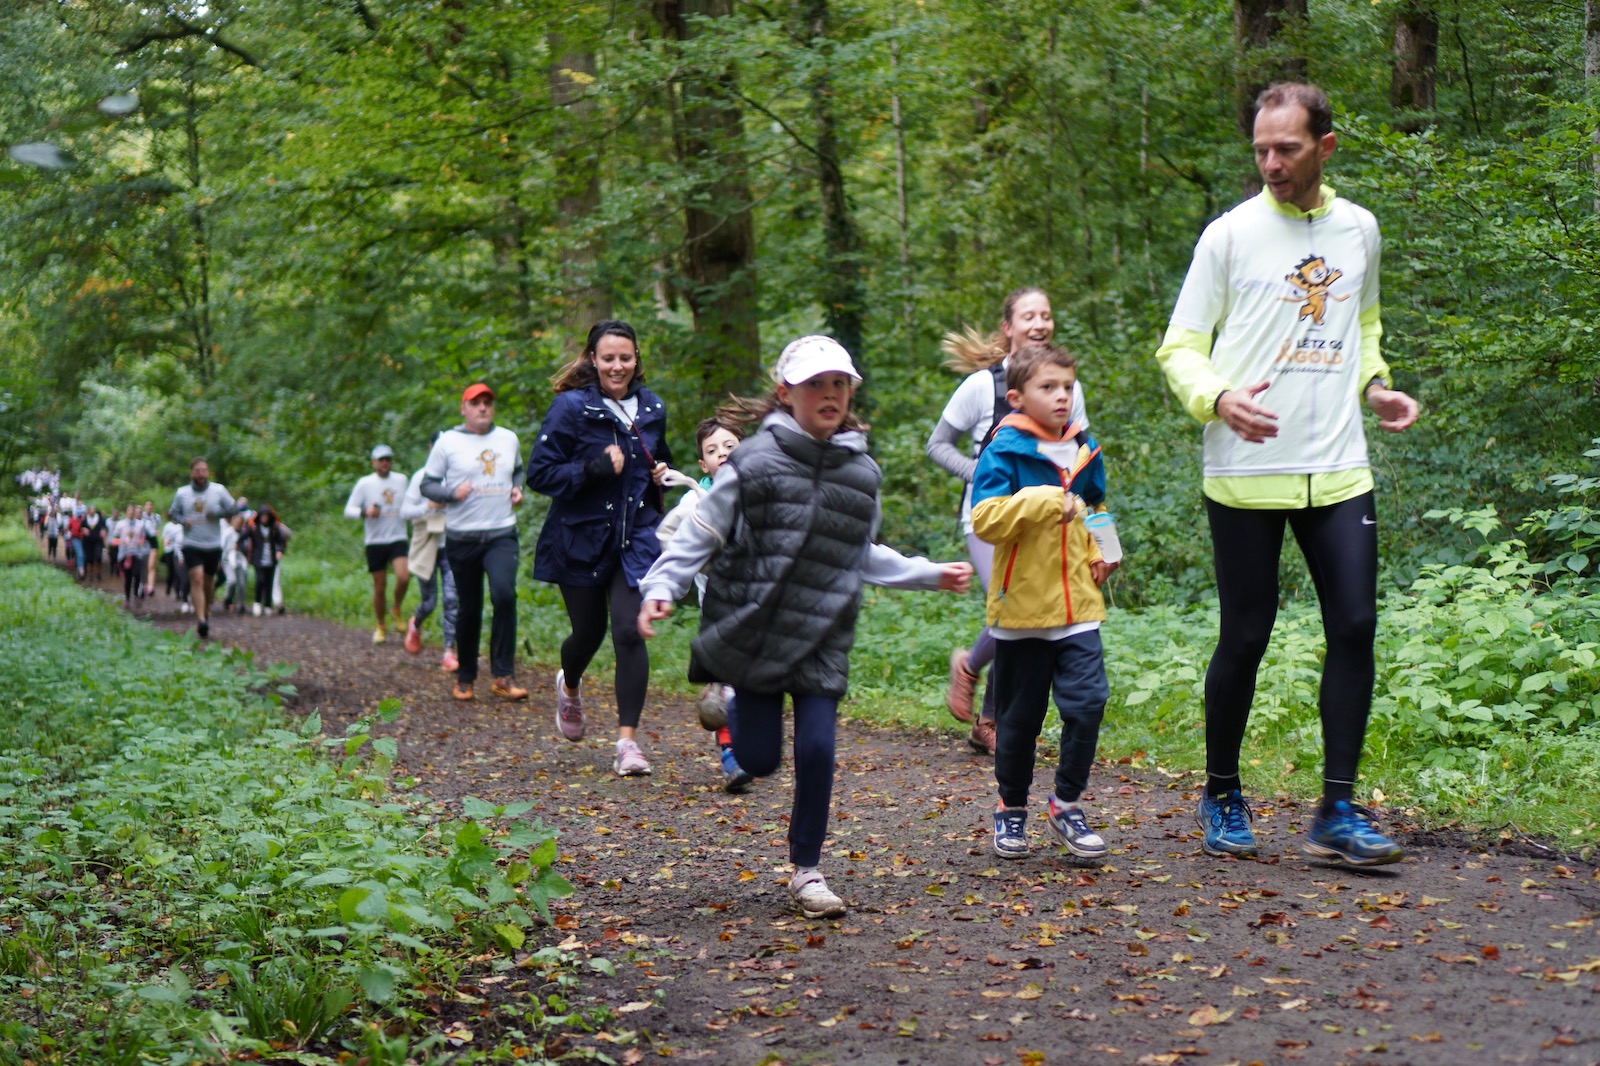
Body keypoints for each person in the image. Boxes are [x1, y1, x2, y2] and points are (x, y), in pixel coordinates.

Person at [1155, 82, 1420, 867]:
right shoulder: (1229, 236)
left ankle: (1336, 809)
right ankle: (1222, 793)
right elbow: (1180, 346)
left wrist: (1377, 384)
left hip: (1338, 465)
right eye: (1261, 150)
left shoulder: (1360, 229)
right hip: (1246, 470)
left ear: (1325, 147)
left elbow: (1362, 323)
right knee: (1246, 634)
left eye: (1287, 149)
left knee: (1356, 626)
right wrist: (1217, 398)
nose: (1271, 163)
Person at [638, 336, 973, 919]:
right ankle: (732, 697)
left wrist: (928, 574)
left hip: (822, 629)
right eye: (816, 383)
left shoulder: (861, 473)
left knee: (818, 749)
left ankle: (807, 870)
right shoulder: (752, 463)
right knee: (760, 759)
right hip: (757, 629)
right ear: (785, 393)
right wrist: (661, 586)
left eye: (839, 383)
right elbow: (702, 532)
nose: (830, 394)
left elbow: (859, 553)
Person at [925, 288, 1091, 757]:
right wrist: (980, 473)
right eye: (1028, 316)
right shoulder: (983, 385)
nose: (1039, 323)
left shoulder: (1067, 386)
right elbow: (937, 444)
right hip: (988, 517)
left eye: (1046, 315)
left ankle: (987, 718)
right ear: (1009, 327)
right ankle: (973, 672)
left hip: (1046, 520)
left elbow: (1080, 450)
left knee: (1027, 620)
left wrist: (1089, 518)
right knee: (1013, 605)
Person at [969, 343, 1113, 861]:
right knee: (1018, 723)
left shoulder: (1084, 445)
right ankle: (1011, 808)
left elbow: (1095, 504)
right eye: (1048, 387)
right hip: (1022, 613)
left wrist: (1105, 548)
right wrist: (1044, 500)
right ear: (1017, 397)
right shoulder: (1004, 450)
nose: (1061, 396)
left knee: (1088, 705)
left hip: (1079, 610)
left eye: (1067, 387)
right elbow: (985, 519)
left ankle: (1066, 804)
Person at [527, 320, 671, 777]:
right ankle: (569, 683)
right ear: (593, 359)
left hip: (635, 541)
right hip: (581, 539)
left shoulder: (652, 406)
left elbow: (657, 463)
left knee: (629, 632)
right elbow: (539, 474)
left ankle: (627, 743)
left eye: (625, 357)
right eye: (608, 358)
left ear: (636, 359)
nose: (617, 366)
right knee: (587, 634)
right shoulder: (571, 407)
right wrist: (592, 467)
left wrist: (661, 474)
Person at [654, 416, 752, 793]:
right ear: (703, 464)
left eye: (730, 446)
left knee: (752, 685)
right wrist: (701, 564)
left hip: (761, 605)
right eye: (712, 450)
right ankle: (731, 756)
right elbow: (668, 538)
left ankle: (746, 740)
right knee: (726, 684)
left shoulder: (763, 490)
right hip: (717, 607)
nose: (722, 453)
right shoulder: (694, 501)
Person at [419, 383, 527, 702]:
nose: (483, 408)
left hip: (501, 533)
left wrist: (517, 488)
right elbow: (427, 485)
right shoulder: (447, 442)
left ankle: (503, 675)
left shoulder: (508, 438)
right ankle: (465, 676)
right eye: (475, 403)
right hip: (462, 537)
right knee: (470, 607)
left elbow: (517, 470)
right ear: (463, 408)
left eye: (487, 402)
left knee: (504, 595)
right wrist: (452, 494)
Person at [401, 435, 460, 673]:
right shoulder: (420, 476)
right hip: (427, 545)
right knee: (430, 601)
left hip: (451, 544)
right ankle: (416, 623)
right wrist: (429, 506)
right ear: (431, 448)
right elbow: (405, 511)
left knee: (452, 599)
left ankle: (449, 651)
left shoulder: (459, 475)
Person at [171, 456, 245, 639]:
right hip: (191, 543)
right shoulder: (182, 493)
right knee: (196, 579)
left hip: (213, 544)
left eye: (204, 471)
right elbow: (173, 512)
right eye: (198, 471)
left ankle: (205, 611)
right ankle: (201, 620)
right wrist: (182, 520)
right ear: (191, 473)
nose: (201, 474)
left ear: (208, 472)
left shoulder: (218, 490)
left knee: (208, 582)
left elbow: (234, 509)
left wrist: (218, 513)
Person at [344, 444, 412, 644]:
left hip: (398, 536)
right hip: (375, 540)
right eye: (381, 460)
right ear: (373, 462)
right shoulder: (365, 483)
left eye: (388, 459)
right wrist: (365, 512)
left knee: (404, 576)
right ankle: (381, 625)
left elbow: (410, 502)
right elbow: (348, 510)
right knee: (380, 586)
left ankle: (396, 608)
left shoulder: (401, 480)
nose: (385, 463)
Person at [241, 505, 287, 616]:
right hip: (258, 559)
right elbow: (241, 539)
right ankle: (257, 603)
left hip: (271, 559)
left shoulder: (274, 529)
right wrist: (246, 551)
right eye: (263, 516)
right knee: (260, 580)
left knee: (269, 582)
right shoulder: (253, 528)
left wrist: (280, 551)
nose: (264, 518)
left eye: (266, 516)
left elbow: (281, 542)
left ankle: (267, 605)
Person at [160, 511, 190, 607]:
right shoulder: (170, 527)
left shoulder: (186, 528)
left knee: (185, 576)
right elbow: (165, 539)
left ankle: (183, 593)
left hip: (186, 555)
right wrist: (166, 542)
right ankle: (177, 592)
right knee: (173, 572)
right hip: (172, 552)